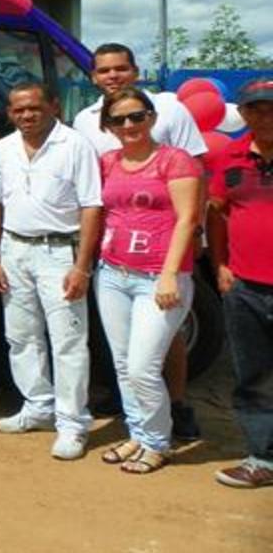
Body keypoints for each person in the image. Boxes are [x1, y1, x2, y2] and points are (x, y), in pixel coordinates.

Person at [73, 42, 207, 441]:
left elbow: (197, 176)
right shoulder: (85, 122)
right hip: (114, 263)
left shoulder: (171, 112)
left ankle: (174, 408)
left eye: (120, 68)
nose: (112, 75)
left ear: (134, 71)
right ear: (93, 77)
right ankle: (140, 429)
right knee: (127, 360)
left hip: (162, 261)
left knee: (159, 347)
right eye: (103, 70)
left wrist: (196, 233)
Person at [0, 82, 102, 461]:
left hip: (60, 252)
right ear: (9, 113)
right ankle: (38, 406)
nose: (27, 115)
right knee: (21, 336)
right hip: (13, 248)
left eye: (34, 107)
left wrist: (82, 266)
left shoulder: (75, 145)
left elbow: (91, 206)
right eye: (18, 109)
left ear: (53, 106)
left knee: (68, 341)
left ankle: (72, 423)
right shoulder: (3, 148)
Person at [95, 87, 201, 475]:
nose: (128, 124)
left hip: (158, 277)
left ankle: (157, 442)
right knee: (124, 365)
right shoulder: (108, 162)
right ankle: (138, 434)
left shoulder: (175, 160)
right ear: (108, 126)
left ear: (152, 117)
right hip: (112, 273)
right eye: (118, 119)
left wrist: (170, 274)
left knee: (143, 366)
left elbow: (188, 219)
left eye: (136, 116)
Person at [207, 78, 273, 489]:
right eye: (256, 109)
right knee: (255, 376)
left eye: (272, 109)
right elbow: (216, 212)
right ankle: (262, 458)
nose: (265, 117)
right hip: (245, 287)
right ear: (243, 114)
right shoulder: (230, 158)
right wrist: (220, 265)